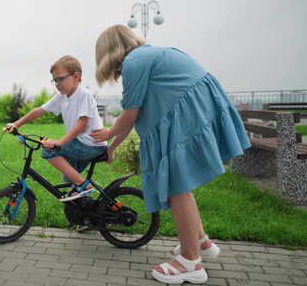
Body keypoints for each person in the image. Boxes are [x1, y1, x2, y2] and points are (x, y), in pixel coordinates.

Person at [91, 25, 250, 284]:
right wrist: (112, 146)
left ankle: (190, 262)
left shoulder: (134, 63)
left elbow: (129, 114)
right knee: (181, 184)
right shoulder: (150, 55)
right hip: (196, 108)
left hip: (186, 114)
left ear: (109, 53)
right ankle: (201, 242)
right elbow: (137, 116)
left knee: (177, 187)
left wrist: (108, 134)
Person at [5, 55, 125, 202]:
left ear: (76, 76)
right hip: (82, 144)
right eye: (54, 80)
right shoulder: (62, 95)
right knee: (69, 178)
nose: (57, 83)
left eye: (60, 79)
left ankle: (83, 185)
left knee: (49, 150)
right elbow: (39, 110)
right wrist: (16, 124)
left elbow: (82, 125)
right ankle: (82, 210)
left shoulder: (83, 95)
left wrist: (59, 143)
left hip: (90, 145)